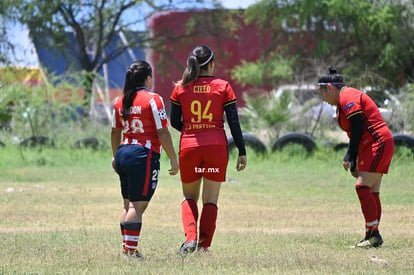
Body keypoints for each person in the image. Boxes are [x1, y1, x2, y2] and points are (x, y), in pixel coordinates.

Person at [170, 45, 247, 255]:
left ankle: (190, 239)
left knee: (189, 198)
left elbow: (174, 121)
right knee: (210, 200)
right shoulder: (223, 86)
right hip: (216, 148)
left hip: (189, 148)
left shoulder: (180, 87)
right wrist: (241, 150)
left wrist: (191, 129)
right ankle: (203, 246)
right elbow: (234, 122)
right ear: (211, 64)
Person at [317, 66, 394, 248]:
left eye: (322, 93)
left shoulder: (347, 96)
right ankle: (371, 235)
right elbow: (354, 132)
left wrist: (349, 155)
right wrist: (355, 160)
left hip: (378, 143)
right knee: (371, 190)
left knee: (362, 187)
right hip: (370, 145)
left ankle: (374, 235)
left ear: (329, 87)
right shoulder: (341, 104)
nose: (323, 98)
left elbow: (358, 126)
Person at [111, 60, 179, 258]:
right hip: (142, 155)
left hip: (123, 152)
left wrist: (115, 156)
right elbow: (163, 132)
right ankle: (130, 253)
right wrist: (173, 158)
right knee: (136, 206)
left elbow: (115, 132)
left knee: (127, 205)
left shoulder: (120, 100)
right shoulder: (153, 99)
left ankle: (127, 249)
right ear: (148, 78)